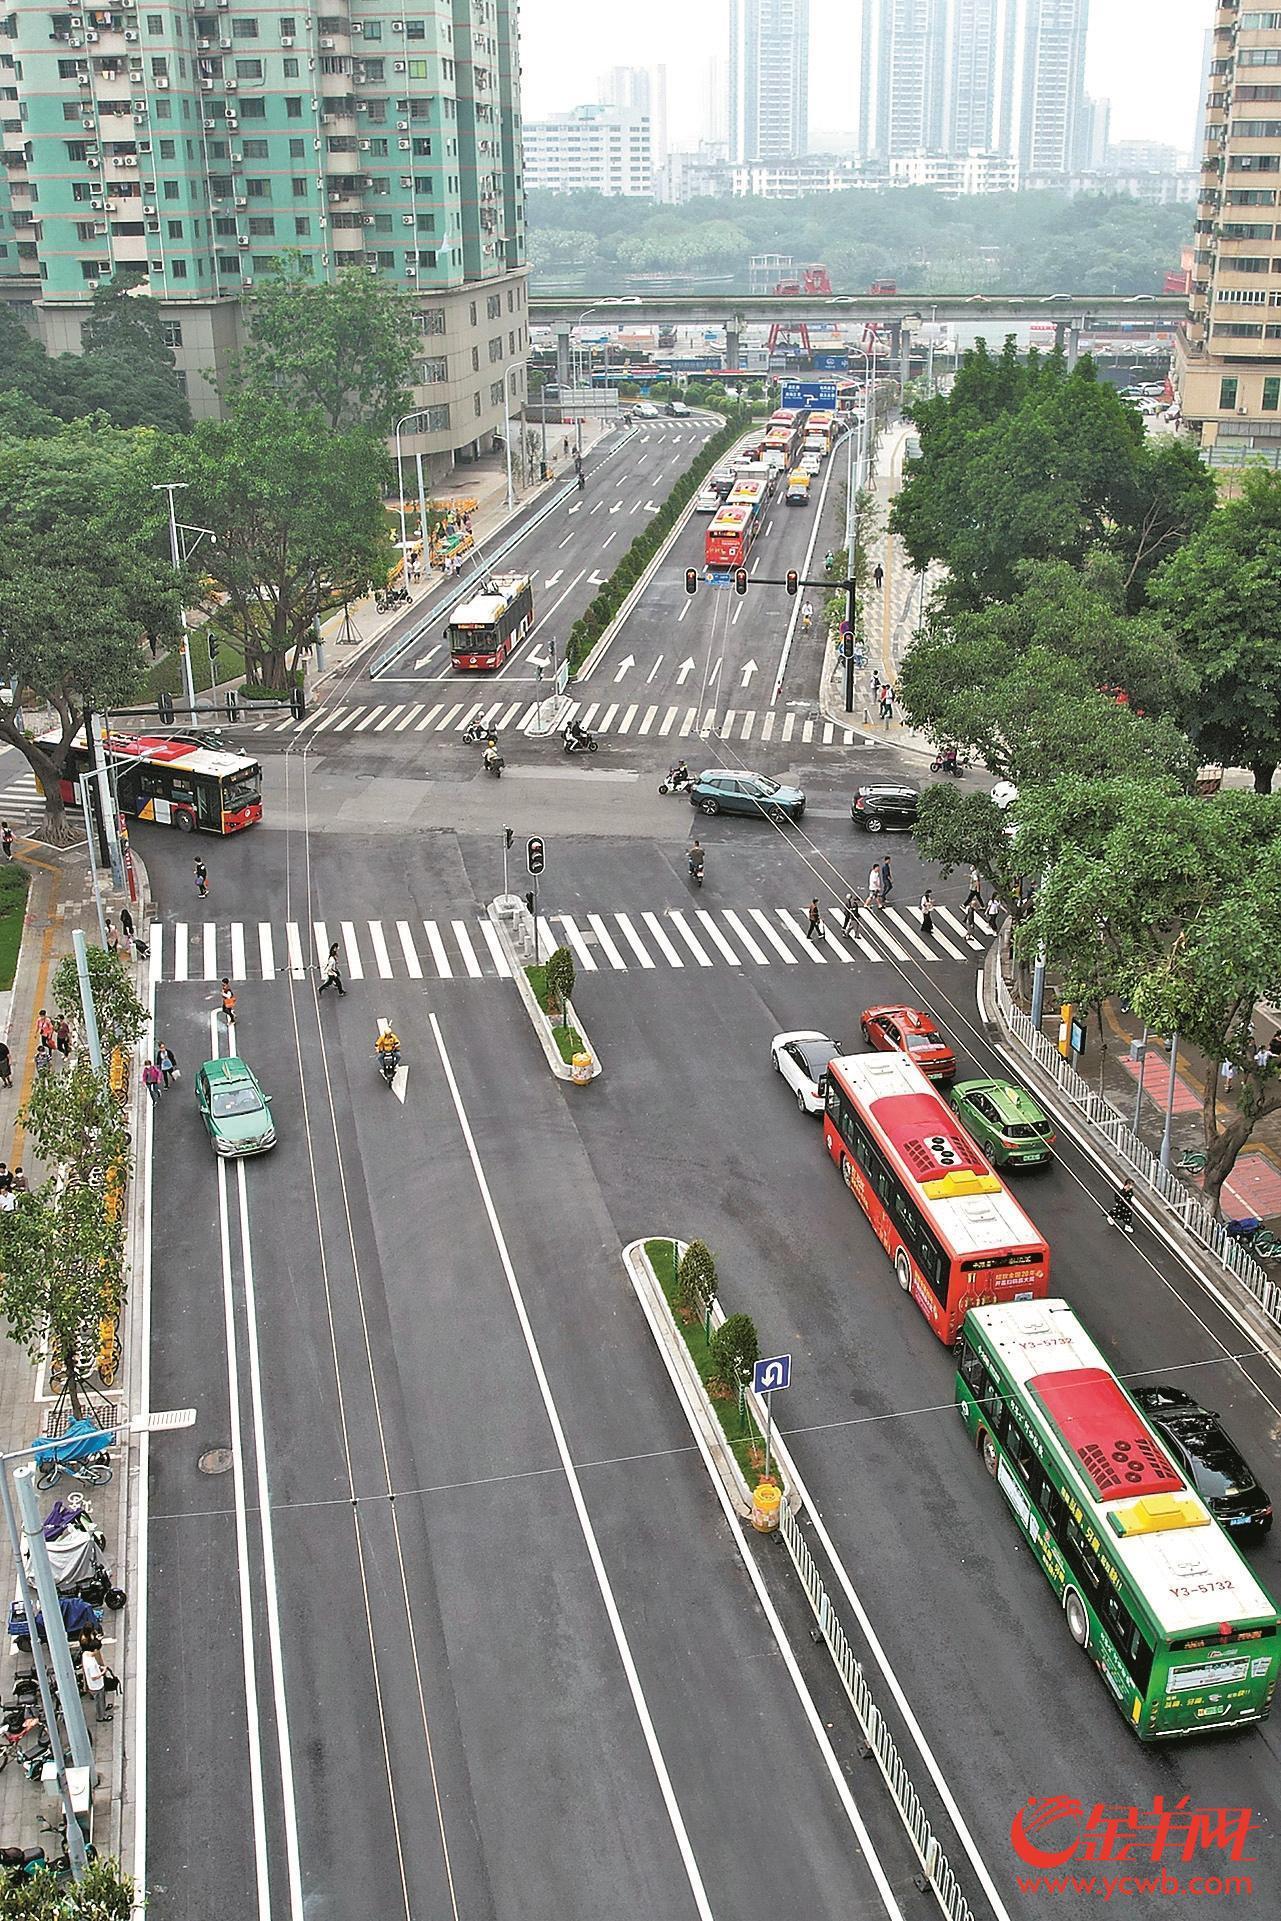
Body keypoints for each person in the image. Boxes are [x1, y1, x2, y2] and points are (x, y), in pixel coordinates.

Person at [79, 1632, 110, 1725]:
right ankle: (101, 1716)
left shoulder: (85, 1655)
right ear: (95, 1649)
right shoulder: (91, 1664)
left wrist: (100, 1667)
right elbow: (94, 1677)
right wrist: (103, 1672)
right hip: (96, 1685)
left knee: (100, 1700)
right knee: (99, 1701)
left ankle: (103, 1710)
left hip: (93, 1685)